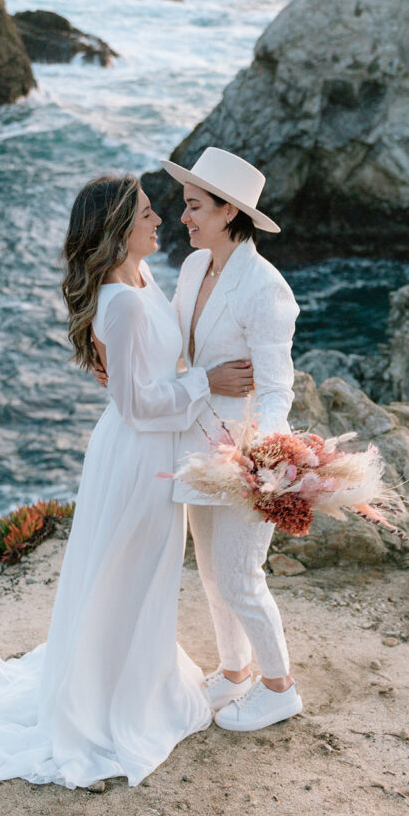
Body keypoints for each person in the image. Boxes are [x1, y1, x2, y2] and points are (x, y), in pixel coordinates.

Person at [0, 173, 253, 788]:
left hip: (143, 449)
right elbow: (136, 405)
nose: (158, 219)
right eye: (144, 213)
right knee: (130, 574)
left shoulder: (141, 278)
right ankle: (116, 702)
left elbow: (145, 373)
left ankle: (129, 681)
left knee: (137, 575)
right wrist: (206, 383)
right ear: (116, 230)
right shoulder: (125, 300)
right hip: (138, 456)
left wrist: (189, 376)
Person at [162, 146, 303, 732]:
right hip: (193, 447)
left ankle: (280, 689)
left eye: (194, 206)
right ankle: (235, 671)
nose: (184, 218)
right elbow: (179, 349)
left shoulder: (265, 288)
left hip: (244, 457)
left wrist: (260, 459)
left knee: (243, 577)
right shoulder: (194, 267)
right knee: (214, 572)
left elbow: (277, 390)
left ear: (228, 212)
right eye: (185, 206)